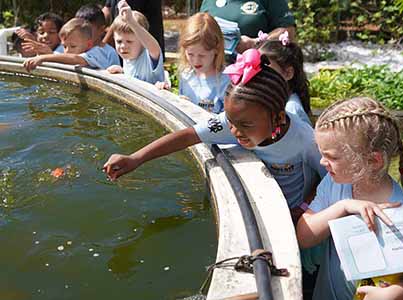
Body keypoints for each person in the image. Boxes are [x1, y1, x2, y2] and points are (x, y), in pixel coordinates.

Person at [104, 48, 325, 221]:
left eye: (245, 124)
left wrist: (304, 208)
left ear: (277, 118)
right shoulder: (232, 124)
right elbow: (188, 135)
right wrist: (135, 158)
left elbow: (329, 180)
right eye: (230, 121)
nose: (235, 131)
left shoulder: (305, 140)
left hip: (291, 216)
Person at [297, 97, 403, 300]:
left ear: (373, 160)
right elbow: (304, 237)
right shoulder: (334, 184)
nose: (322, 162)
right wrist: (343, 206)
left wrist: (392, 295)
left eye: (332, 157)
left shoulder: (400, 212)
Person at [157, 12, 229, 114]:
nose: (196, 61)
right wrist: (170, 95)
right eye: (190, 54)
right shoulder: (186, 74)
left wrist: (195, 110)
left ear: (216, 49)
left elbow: (228, 123)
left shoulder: (225, 81)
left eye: (202, 55)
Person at [200, 0, 296, 53]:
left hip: (256, 73)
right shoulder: (208, 1)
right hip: (215, 73)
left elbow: (288, 31)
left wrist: (255, 43)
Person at [258, 31, 311, 125]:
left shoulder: (291, 110)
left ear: (288, 73)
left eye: (266, 69)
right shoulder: (276, 102)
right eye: (256, 67)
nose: (258, 74)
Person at [106, 0, 164, 84]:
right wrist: (123, 72)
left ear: (143, 42)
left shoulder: (148, 58)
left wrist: (131, 22)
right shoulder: (128, 58)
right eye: (119, 41)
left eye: (129, 41)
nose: (123, 46)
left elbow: (154, 48)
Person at [23, 18, 111, 71]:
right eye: (64, 46)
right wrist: (45, 53)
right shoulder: (70, 53)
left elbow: (75, 59)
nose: (67, 51)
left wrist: (42, 58)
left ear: (88, 44)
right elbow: (62, 58)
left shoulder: (97, 52)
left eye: (73, 46)